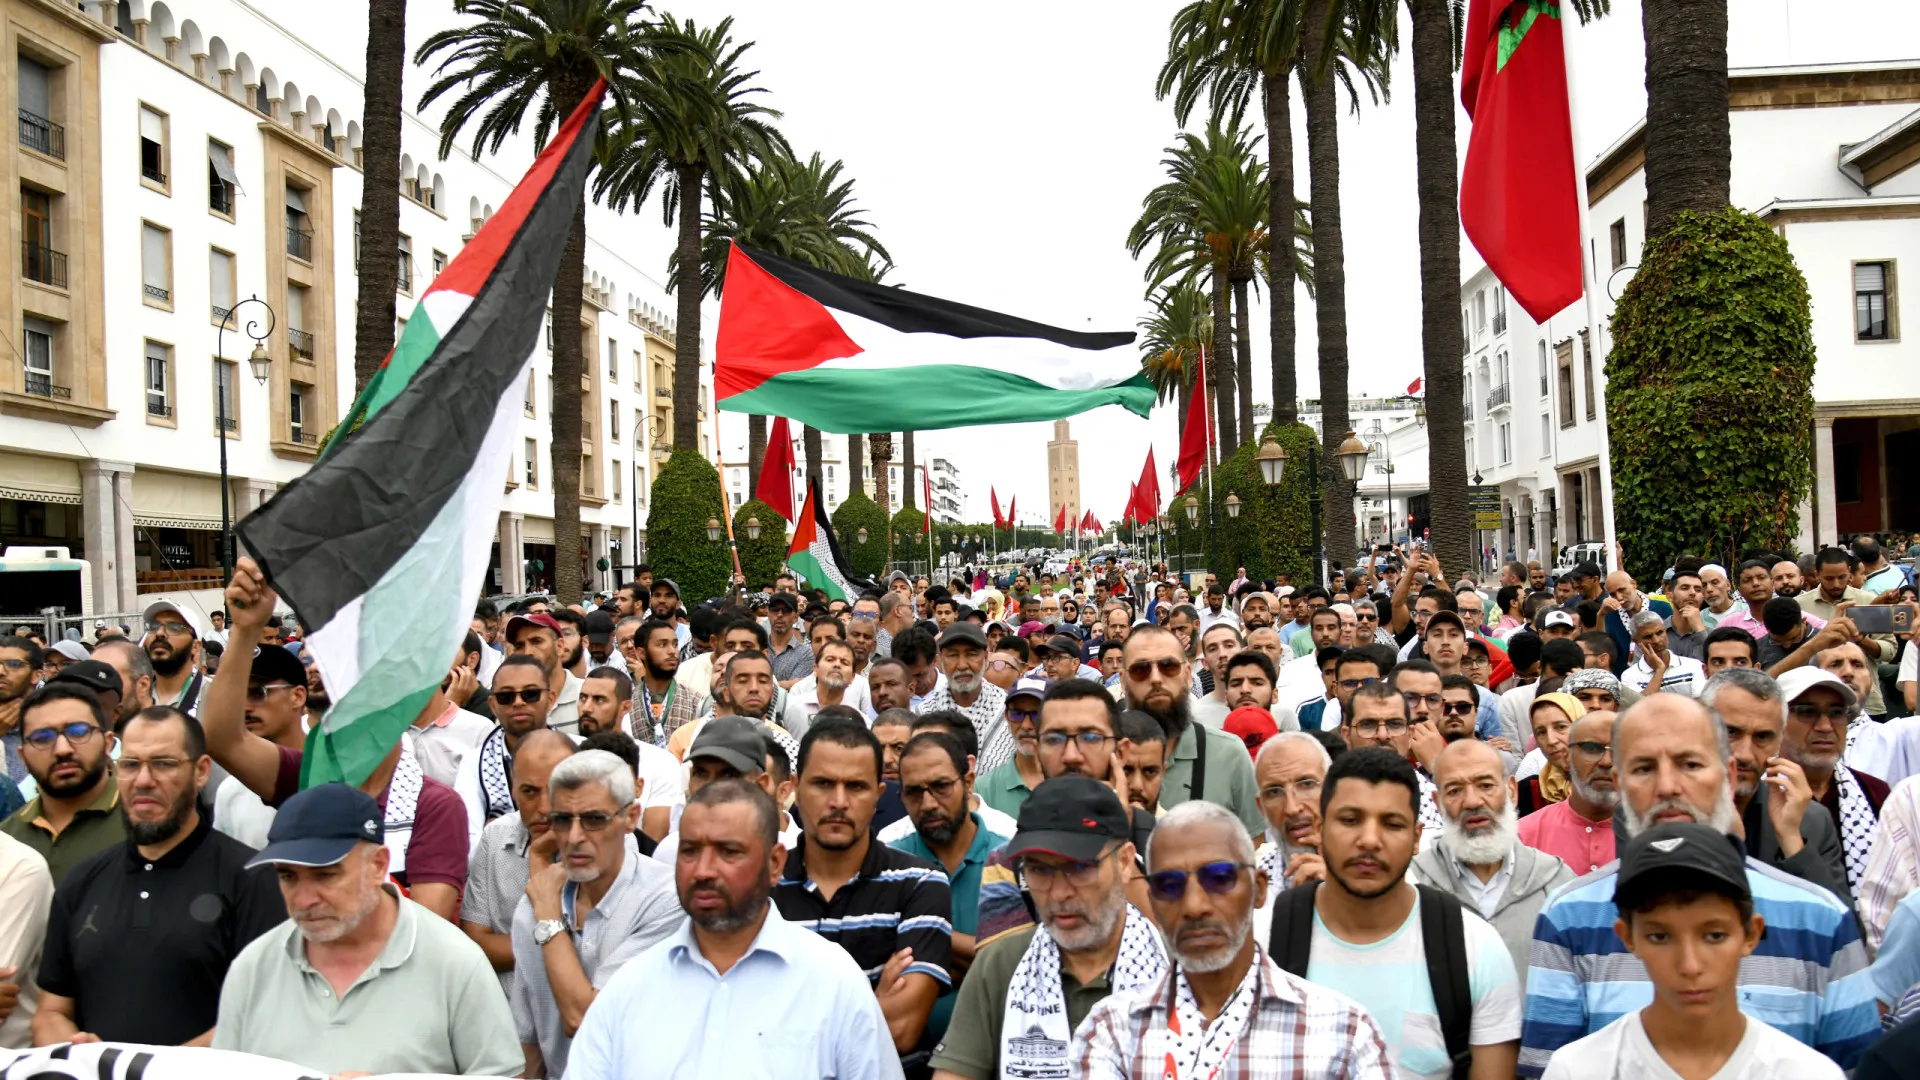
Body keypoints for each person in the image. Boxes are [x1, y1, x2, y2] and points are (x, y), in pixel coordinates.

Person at [1518, 695, 1878, 1076]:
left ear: (1728, 776)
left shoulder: (1819, 917)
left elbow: (1856, 1068)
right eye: (1643, 768)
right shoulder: (1568, 916)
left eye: (1690, 764)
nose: (1668, 786)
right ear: (1621, 784)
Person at [567, 780, 903, 1079]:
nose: (703, 871)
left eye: (729, 852)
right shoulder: (629, 989)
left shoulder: (832, 982)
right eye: (690, 851)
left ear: (775, 864)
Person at [202, 558, 470, 922]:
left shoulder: (435, 806)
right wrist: (245, 630)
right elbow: (222, 738)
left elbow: (426, 924)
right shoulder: (309, 776)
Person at [213, 783, 522, 1076]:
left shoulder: (455, 964)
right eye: (287, 876)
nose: (304, 900)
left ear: (377, 865)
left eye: (325, 876)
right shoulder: (253, 968)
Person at [1074, 800, 1395, 1079]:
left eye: (1219, 879)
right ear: (1153, 901)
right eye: (1169, 885)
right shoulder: (1112, 1031)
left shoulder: (1342, 1032)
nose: (1195, 906)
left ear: (1259, 889)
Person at [1256, 747, 1522, 1077]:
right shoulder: (1261, 945)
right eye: (1350, 820)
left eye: (1392, 824)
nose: (1369, 840)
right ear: (1321, 829)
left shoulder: (1475, 949)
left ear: (1416, 837)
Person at [29, 704, 282, 1048]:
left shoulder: (252, 879)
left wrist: (151, 1071)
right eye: (131, 765)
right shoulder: (82, 880)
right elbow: (51, 1011)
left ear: (202, 771)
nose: (144, 780)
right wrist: (81, 1055)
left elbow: (267, 1014)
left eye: (164, 764)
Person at [1539, 822, 1845, 1080]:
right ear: (1627, 937)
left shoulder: (1808, 1073)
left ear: (1750, 934)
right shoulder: (1578, 1070)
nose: (1690, 965)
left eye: (1713, 935)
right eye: (1660, 937)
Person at [928, 776, 1167, 1080]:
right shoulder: (1002, 965)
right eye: (1039, 870)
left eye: (1079, 868)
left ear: (1123, 862)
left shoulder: (1176, 967)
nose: (1059, 893)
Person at [772, 715, 952, 1076]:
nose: (839, 802)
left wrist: (790, 1028)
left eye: (856, 787)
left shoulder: (921, 883)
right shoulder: (762, 887)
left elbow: (901, 1031)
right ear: (795, 787)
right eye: (823, 784)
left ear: (878, 795)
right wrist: (871, 1004)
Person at [509, 750, 682, 1079]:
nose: (574, 838)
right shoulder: (531, 906)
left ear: (631, 817)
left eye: (593, 819)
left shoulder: (664, 900)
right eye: (562, 820)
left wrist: (548, 919)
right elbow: (528, 1045)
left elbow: (585, 1020)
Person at [1412, 738, 1573, 993]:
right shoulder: (1412, 885)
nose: (1473, 801)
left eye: (1486, 786)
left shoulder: (1556, 882)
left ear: (1511, 790)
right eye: (1454, 790)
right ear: (1437, 802)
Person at [888, 731, 1012, 1046]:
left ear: (969, 782)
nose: (928, 803)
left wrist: (927, 938)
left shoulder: (1012, 859)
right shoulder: (885, 864)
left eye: (941, 786)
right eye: (914, 792)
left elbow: (1010, 966)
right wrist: (972, 953)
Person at [1702, 668, 1853, 905]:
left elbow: (1845, 934)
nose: (1744, 754)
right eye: (1730, 732)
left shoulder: (1810, 820)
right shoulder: (1659, 811)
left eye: (1762, 737)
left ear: (1780, 741)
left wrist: (1792, 842)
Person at [462, 729, 575, 995]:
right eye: (529, 792)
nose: (544, 807)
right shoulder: (496, 837)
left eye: (554, 789)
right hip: (504, 1014)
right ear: (512, 788)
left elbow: (594, 949)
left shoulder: (608, 844)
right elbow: (475, 944)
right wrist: (558, 944)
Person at [1120, 625, 1263, 834]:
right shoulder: (1103, 755)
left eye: (1168, 666)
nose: (1156, 678)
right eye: (1140, 669)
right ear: (1123, 681)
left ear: (1187, 675)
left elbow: (1254, 848)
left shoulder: (1229, 753)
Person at [1, 684, 123, 885]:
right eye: (42, 738)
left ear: (108, 743)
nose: (62, 749)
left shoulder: (145, 824)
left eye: (78, 732)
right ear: (22, 757)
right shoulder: (9, 837)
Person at [575, 665, 682, 841]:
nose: (586, 708)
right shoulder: (564, 754)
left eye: (599, 700)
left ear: (625, 707)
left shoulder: (660, 763)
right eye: (583, 698)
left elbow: (652, 844)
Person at [1517, 710, 1619, 875]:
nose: (1606, 762)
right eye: (1592, 749)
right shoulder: (1525, 835)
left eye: (1619, 749)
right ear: (1568, 756)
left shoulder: (1655, 837)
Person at [918, 623, 1015, 773]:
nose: (962, 665)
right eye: (953, 655)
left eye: (971, 654)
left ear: (986, 656)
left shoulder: (1010, 711)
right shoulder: (924, 714)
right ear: (940, 659)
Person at [1253, 732, 1331, 893]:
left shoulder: (1375, 868)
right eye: (1274, 792)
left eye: (1307, 784)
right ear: (1261, 807)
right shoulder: (1254, 886)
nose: (1292, 808)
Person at [624, 618, 705, 747]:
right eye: (662, 644)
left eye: (675, 644)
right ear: (641, 653)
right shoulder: (625, 704)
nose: (672, 651)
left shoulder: (697, 703)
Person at [975, 676, 1046, 818]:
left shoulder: (1074, 785)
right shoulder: (984, 789)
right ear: (1007, 716)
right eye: (1017, 714)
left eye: (1036, 715)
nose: (1026, 725)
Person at [506, 611, 584, 735]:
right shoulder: (509, 702)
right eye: (519, 645)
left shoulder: (587, 694)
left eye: (536, 641)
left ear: (559, 646)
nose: (527, 652)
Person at [1517, 693, 1585, 817]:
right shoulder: (1529, 791)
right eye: (1541, 732)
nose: (1551, 740)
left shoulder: (1610, 783)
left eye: (1561, 727)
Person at [1622, 610, 1708, 697]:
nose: (1657, 641)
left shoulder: (1694, 666)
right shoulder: (1629, 676)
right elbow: (1644, 704)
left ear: (1666, 632)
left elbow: (1701, 705)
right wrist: (1660, 670)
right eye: (1648, 637)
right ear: (1636, 642)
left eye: (1660, 633)